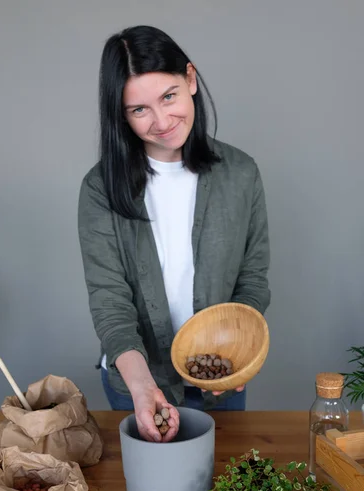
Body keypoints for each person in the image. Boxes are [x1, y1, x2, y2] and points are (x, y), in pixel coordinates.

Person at [78, 25, 270, 443]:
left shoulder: (241, 174)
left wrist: (239, 351)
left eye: (169, 96)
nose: (162, 121)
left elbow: (252, 280)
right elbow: (110, 302)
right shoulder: (100, 189)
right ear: (120, 115)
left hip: (221, 380)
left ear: (191, 80)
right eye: (139, 110)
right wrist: (143, 386)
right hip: (136, 382)